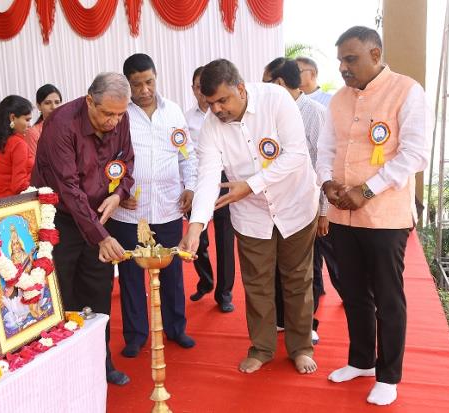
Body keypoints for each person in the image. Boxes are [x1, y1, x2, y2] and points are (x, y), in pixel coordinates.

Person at [180, 59, 319, 375]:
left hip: (295, 205)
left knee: (297, 279)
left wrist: (251, 185)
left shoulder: (276, 98)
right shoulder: (211, 127)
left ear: (241, 89)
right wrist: (196, 227)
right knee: (257, 284)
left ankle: (300, 348)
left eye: (222, 100)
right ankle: (262, 348)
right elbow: (207, 177)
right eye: (210, 103)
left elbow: (297, 154)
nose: (216, 110)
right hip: (252, 215)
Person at [317, 26, 431, 406]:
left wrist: (366, 190)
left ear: (375, 55)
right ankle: (362, 361)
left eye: (350, 59)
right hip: (343, 216)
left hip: (385, 217)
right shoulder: (337, 99)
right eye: (340, 61)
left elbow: (415, 153)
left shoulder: (407, 91)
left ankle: (389, 375)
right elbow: (325, 148)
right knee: (353, 292)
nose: (343, 68)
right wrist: (327, 182)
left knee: (387, 296)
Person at [30, 72, 135, 386]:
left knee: (99, 291)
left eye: (120, 115)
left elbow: (126, 161)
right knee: (65, 294)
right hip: (59, 219)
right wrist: (101, 237)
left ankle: (101, 363)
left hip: (99, 215)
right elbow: (69, 189)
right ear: (90, 101)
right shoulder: (61, 125)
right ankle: (67, 371)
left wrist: (118, 194)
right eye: (108, 114)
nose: (114, 122)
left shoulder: (120, 117)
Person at [108, 53, 197, 359]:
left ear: (156, 77)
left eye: (149, 82)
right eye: (137, 84)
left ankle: (176, 328)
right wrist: (117, 191)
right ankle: (135, 335)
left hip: (168, 206)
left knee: (172, 272)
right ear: (127, 84)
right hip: (129, 212)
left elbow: (186, 153)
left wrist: (190, 186)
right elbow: (106, 160)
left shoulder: (173, 111)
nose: (144, 90)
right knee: (131, 275)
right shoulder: (119, 114)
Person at [263, 57, 341, 345]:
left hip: (308, 205)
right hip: (278, 205)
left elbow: (324, 165)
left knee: (309, 269)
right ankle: (283, 319)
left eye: (266, 83)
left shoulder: (315, 113)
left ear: (280, 83)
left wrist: (323, 212)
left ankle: (308, 324)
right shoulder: (270, 114)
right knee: (278, 267)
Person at [185, 65, 236, 313]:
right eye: (198, 88)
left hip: (225, 180)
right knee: (198, 239)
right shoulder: (186, 118)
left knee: (225, 239)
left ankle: (224, 293)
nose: (202, 93)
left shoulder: (227, 114)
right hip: (196, 181)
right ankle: (205, 281)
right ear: (194, 89)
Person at [0, 95, 34, 200]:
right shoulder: (18, 144)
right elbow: (19, 185)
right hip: (17, 205)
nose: (29, 125)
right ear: (12, 118)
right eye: (27, 120)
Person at [25, 84, 63, 156]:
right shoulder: (33, 133)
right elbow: (33, 161)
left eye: (57, 102)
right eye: (47, 103)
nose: (54, 107)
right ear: (39, 106)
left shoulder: (68, 129)